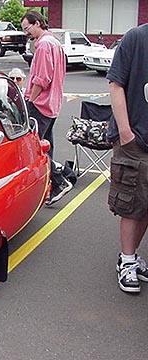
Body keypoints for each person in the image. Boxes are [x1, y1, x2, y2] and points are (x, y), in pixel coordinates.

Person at [106, 25, 148, 294]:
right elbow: (115, 84)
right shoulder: (137, 38)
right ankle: (127, 260)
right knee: (131, 203)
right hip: (135, 140)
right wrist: (126, 134)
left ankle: (133, 258)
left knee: (146, 204)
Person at [21, 10, 72, 206]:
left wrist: (30, 101)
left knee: (36, 148)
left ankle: (59, 181)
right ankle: (54, 183)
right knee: (46, 147)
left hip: (40, 105)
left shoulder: (43, 46)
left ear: (37, 23)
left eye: (27, 29)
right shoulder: (55, 43)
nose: (26, 33)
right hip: (53, 104)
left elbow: (42, 79)